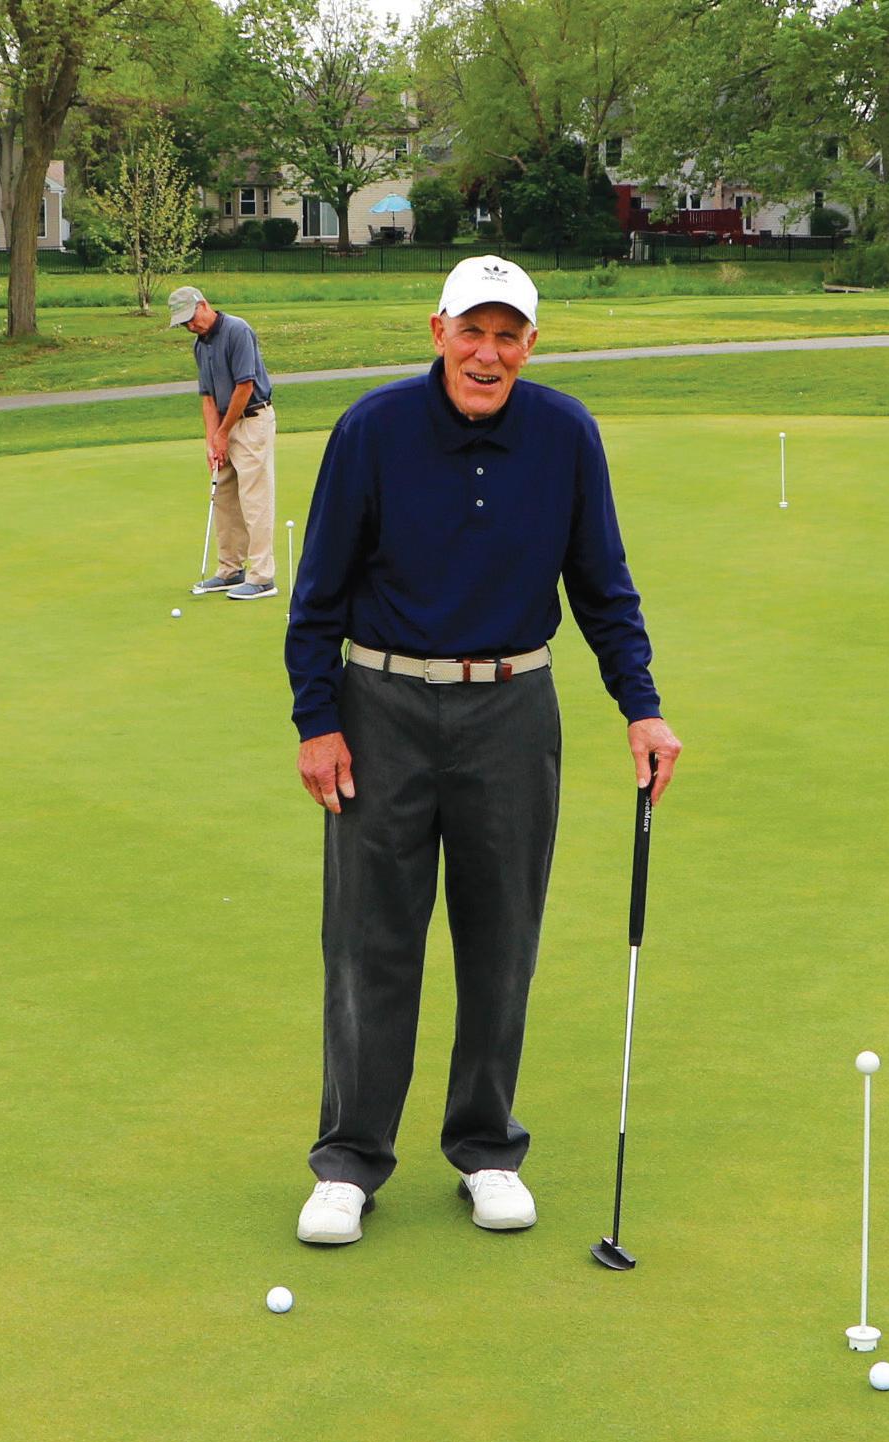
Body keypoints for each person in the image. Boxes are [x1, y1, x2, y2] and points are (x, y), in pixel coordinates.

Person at [284, 255, 682, 1247]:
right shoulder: (372, 429)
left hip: (512, 708)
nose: (488, 353)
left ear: (530, 345)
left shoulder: (564, 434)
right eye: (473, 331)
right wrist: (316, 721)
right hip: (380, 707)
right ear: (438, 331)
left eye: (508, 335)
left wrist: (640, 708)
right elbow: (317, 595)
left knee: (502, 937)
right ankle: (349, 1161)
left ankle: (486, 1148)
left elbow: (603, 587)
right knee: (370, 940)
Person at [168, 285, 279, 601]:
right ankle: (230, 570)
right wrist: (211, 441)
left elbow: (245, 386)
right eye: (184, 324)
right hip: (225, 424)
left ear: (203, 305)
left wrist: (222, 432)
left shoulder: (237, 330)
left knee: (254, 499)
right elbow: (207, 397)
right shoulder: (200, 345)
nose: (190, 326)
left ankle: (263, 577)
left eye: (191, 318)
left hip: (252, 419)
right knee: (224, 497)